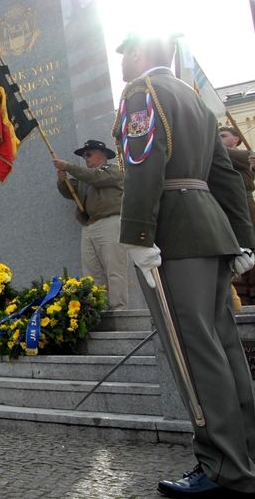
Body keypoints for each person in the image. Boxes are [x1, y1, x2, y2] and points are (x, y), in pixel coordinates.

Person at [113, 33, 255, 498]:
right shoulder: (194, 100)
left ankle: (223, 467)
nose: (121, 65)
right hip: (212, 230)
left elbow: (142, 163)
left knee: (195, 353)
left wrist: (137, 236)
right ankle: (246, 452)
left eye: (125, 55)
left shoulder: (142, 93)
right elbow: (225, 175)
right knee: (225, 347)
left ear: (139, 55)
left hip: (174, 233)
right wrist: (243, 240)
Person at [53, 139, 131, 310]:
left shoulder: (114, 170)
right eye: (84, 155)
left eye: (88, 154)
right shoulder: (84, 178)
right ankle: (99, 309)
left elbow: (96, 178)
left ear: (102, 155)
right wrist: (62, 180)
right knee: (92, 273)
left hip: (110, 222)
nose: (85, 158)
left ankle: (119, 309)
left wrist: (69, 167)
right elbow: (69, 192)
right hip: (89, 226)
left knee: (114, 269)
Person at [220, 126, 255, 305]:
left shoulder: (242, 156)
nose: (219, 138)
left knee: (247, 249)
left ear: (236, 140)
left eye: (224, 136)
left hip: (244, 209)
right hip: (227, 207)